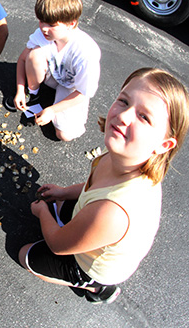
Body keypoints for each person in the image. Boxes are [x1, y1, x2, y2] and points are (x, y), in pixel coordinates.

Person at [18, 68, 189, 304]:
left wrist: (42, 213)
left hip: (93, 265)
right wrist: (64, 192)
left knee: (25, 255)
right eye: (124, 101)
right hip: (95, 219)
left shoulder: (115, 212)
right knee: (58, 203)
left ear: (164, 144)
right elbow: (94, 186)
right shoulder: (122, 156)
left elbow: (57, 245)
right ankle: (66, 224)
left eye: (144, 117)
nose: (125, 116)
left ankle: (99, 288)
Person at [4, 0, 100, 141]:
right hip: (53, 74)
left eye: (51, 24)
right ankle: (33, 94)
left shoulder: (86, 53)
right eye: (41, 21)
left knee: (64, 135)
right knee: (34, 54)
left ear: (71, 23)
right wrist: (20, 90)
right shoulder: (43, 34)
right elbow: (23, 59)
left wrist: (52, 110)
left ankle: (53, 103)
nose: (44, 28)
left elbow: (83, 93)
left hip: (72, 87)